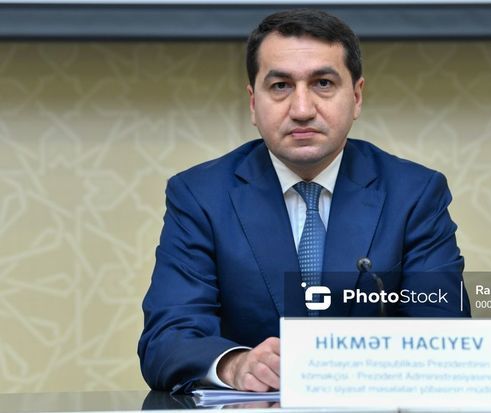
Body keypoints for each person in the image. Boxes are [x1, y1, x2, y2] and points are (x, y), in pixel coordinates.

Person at [138, 8, 470, 394]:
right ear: (253, 102)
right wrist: (235, 365)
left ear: (356, 96)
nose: (301, 109)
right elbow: (167, 337)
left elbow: (446, 337)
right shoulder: (200, 196)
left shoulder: (414, 194)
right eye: (280, 86)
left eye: (323, 83)